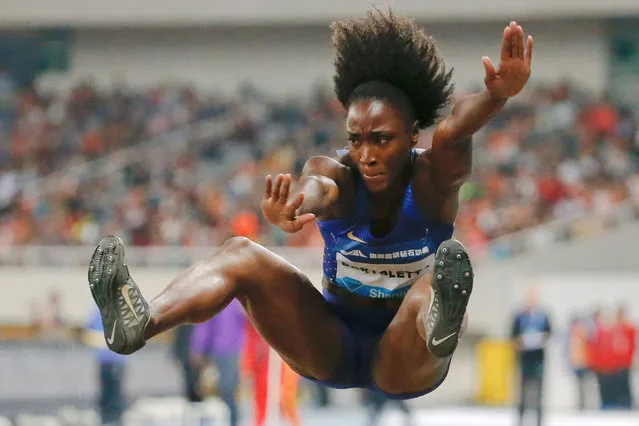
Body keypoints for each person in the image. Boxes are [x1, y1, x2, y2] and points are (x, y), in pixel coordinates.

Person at [87, 10, 532, 398]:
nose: (367, 155)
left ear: (414, 135)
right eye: (356, 140)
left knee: (436, 280)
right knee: (240, 253)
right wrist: (295, 206)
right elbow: (318, 186)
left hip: (403, 357)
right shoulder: (336, 173)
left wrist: (497, 94)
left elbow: (454, 130)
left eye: (382, 139)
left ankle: (441, 327)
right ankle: (140, 324)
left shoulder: (434, 179)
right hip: (330, 343)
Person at [190, 299, 246, 426]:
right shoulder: (227, 300)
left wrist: (197, 348)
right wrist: (197, 347)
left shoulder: (227, 301)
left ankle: (231, 421)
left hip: (227, 351)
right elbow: (204, 325)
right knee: (221, 391)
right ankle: (229, 420)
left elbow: (203, 326)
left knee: (225, 391)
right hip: (223, 351)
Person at [511, 287, 551, 426]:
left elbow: (549, 333)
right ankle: (521, 419)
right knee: (522, 391)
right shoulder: (519, 316)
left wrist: (540, 340)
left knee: (538, 391)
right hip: (524, 358)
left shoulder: (543, 316)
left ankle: (539, 420)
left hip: (538, 358)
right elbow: (513, 335)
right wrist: (520, 342)